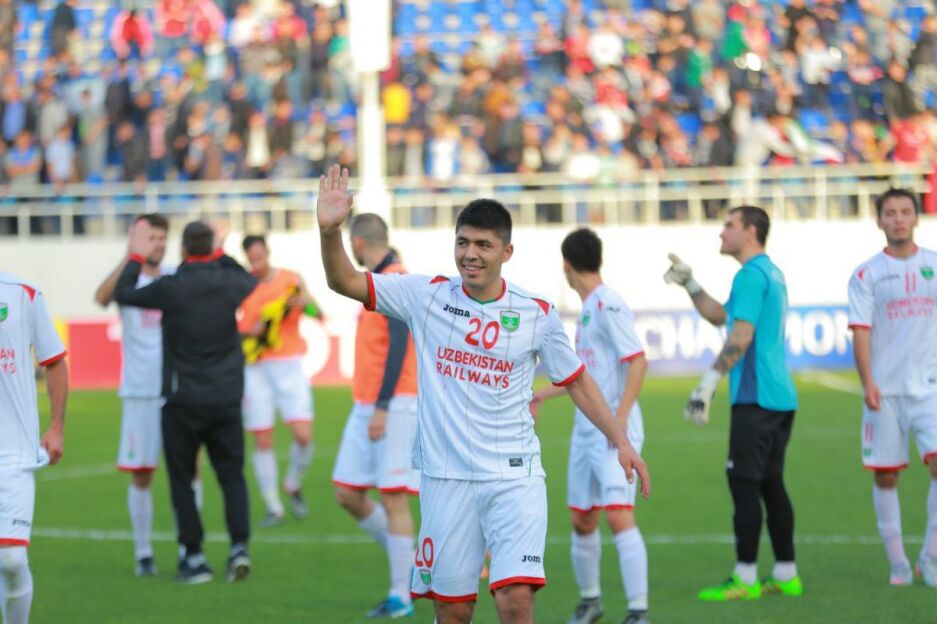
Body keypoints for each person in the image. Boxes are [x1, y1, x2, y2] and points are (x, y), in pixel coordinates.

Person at [316, 164, 650, 624]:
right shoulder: (425, 295)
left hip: (514, 478)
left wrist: (621, 440)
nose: (470, 254)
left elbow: (576, 380)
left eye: (483, 245)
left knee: (515, 599)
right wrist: (330, 232)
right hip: (445, 479)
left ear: (506, 251)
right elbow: (345, 281)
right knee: (454, 611)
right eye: (463, 242)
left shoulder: (535, 313)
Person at [664, 206, 801, 601]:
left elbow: (740, 336)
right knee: (771, 483)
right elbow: (721, 316)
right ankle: (786, 574)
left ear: (751, 231)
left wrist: (707, 385)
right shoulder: (768, 272)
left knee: (744, 483)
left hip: (755, 398)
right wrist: (690, 283)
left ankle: (745, 578)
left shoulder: (750, 275)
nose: (722, 232)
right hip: (779, 397)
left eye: (730, 225)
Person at [114, 220, 257, 585]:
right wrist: (222, 251)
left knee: (182, 480)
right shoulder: (229, 282)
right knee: (231, 476)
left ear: (182, 250)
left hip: (182, 400)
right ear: (211, 248)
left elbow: (124, 292)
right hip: (225, 398)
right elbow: (249, 279)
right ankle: (239, 548)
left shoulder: (171, 286)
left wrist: (136, 256)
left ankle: (194, 557)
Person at [531, 228, 650, 624]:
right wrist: (541, 395)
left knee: (617, 514)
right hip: (586, 430)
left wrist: (621, 418)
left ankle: (638, 610)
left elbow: (638, 360)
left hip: (614, 430)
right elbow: (585, 378)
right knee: (582, 517)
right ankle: (591, 601)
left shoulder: (608, 303)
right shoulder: (588, 308)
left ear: (566, 265)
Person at [94, 213, 203, 577]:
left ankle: (190, 547)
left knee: (189, 470)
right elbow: (101, 298)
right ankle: (143, 553)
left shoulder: (175, 275)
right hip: (140, 390)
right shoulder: (129, 279)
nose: (157, 244)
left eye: (160, 238)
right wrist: (131, 255)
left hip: (177, 389)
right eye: (150, 237)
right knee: (142, 474)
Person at [331, 213, 420, 619]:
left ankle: (402, 594)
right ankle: (413, 565)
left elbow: (399, 343)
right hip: (367, 401)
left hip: (395, 402)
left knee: (392, 496)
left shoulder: (394, 280)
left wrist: (383, 406)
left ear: (358, 244)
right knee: (347, 493)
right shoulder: (380, 280)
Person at [847, 188, 937, 586]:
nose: (898, 219)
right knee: (886, 477)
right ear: (879, 221)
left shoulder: (934, 265)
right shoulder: (866, 274)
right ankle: (898, 563)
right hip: (884, 391)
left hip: (931, 388)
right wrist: (868, 382)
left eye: (905, 212)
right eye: (891, 213)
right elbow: (861, 331)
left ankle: (930, 557)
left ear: (916, 217)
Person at [238, 235, 320, 526]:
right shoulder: (243, 285)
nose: (257, 263)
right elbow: (233, 328)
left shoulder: (290, 279)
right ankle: (274, 506)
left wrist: (305, 303)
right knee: (262, 437)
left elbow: (316, 313)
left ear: (267, 252)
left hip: (288, 367)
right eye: (252, 259)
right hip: (256, 368)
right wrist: (250, 332)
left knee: (304, 437)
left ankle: (292, 482)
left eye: (260, 256)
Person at [0, 273, 68, 624]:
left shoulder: (22, 294)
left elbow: (53, 359)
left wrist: (56, 426)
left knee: (11, 559)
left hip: (14, 456)